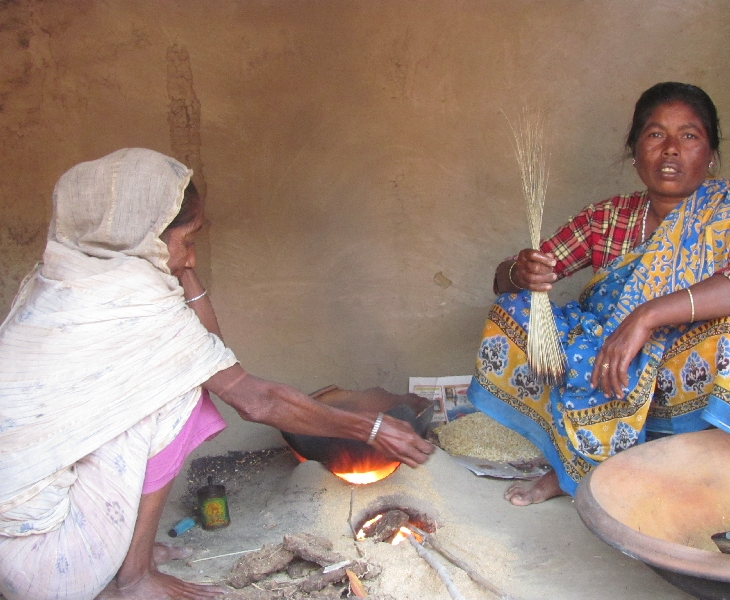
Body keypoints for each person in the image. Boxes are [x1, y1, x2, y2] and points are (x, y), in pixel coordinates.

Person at [0, 148, 435, 600]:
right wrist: (373, 427)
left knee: (187, 371)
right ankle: (134, 578)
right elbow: (250, 397)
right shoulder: (135, 299)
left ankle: (132, 557)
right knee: (180, 395)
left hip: (13, 551)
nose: (190, 258)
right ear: (145, 238)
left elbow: (209, 347)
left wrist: (180, 267)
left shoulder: (65, 276)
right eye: (188, 240)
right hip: (49, 569)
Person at [466, 82, 730, 506]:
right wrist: (519, 271)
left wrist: (646, 317)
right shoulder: (609, 217)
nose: (671, 149)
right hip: (603, 363)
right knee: (514, 311)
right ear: (635, 153)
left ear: (710, 156)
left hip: (678, 365)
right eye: (655, 135)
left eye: (689, 136)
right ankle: (568, 469)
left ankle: (702, 471)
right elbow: (517, 274)